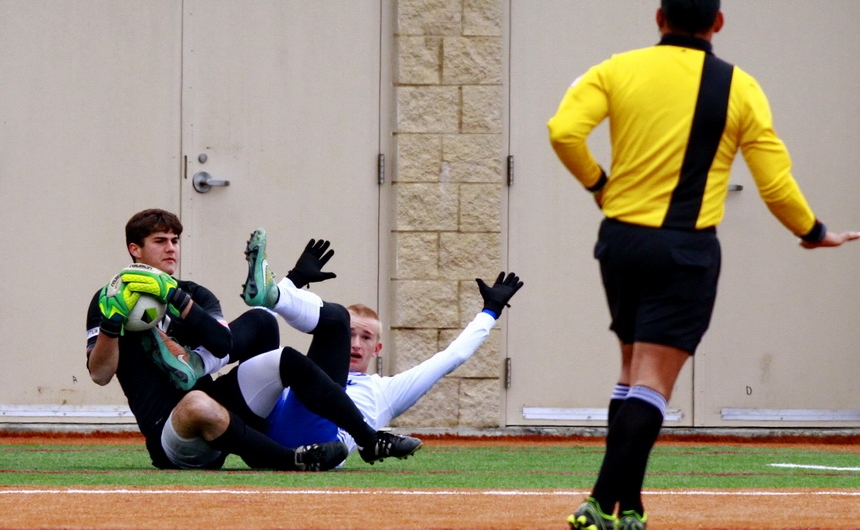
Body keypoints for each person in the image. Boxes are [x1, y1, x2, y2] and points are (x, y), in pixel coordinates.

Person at [547, 1, 860, 529]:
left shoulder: (616, 68)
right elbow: (774, 182)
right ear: (717, 22)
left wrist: (600, 185)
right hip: (685, 249)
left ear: (658, 16)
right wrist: (812, 231)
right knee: (652, 382)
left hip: (620, 241)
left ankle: (631, 507)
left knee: (630, 373)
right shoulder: (739, 87)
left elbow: (563, 132)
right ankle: (599, 502)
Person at [86, 208, 421, 472]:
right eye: (160, 241)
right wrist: (112, 325)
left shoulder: (192, 293)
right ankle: (291, 460)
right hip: (171, 434)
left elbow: (222, 343)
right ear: (135, 249)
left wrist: (176, 297)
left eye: (175, 240)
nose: (171, 248)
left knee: (268, 330)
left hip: (217, 402)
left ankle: (370, 440)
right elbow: (100, 374)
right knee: (196, 403)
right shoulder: (108, 299)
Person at [247, 225, 522, 456]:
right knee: (265, 332)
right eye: (350, 334)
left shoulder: (385, 391)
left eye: (365, 337)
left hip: (317, 439)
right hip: (266, 429)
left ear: (377, 349)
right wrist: (294, 279)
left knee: (329, 329)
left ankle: (279, 295)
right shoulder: (304, 371)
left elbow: (452, 357)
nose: (354, 344)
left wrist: (491, 311)